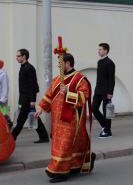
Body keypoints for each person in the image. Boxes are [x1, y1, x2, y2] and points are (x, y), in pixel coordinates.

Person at [36, 53, 95, 183]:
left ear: (68, 63)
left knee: (66, 144)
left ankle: (60, 172)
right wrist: (41, 107)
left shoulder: (80, 79)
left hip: (71, 118)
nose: (59, 66)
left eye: (60, 63)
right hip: (57, 120)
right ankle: (74, 166)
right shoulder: (57, 79)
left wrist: (68, 92)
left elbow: (84, 96)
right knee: (66, 145)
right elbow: (49, 95)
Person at [12, 49, 49, 143]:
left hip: (28, 99)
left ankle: (12, 138)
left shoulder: (29, 68)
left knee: (21, 120)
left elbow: (33, 86)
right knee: (34, 117)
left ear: (24, 56)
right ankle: (44, 137)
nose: (16, 58)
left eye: (18, 56)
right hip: (24, 99)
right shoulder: (23, 67)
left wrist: (32, 101)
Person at [92, 43, 115, 138]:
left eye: (100, 49)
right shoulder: (99, 62)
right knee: (94, 109)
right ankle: (104, 126)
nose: (99, 51)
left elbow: (111, 79)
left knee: (107, 112)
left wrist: (110, 92)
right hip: (98, 90)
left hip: (106, 91)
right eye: (99, 49)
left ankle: (108, 131)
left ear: (106, 51)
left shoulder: (110, 63)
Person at [0, 59, 12, 128]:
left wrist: (3, 99)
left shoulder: (3, 74)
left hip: (2, 100)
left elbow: (5, 87)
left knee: (4, 115)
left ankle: (7, 128)